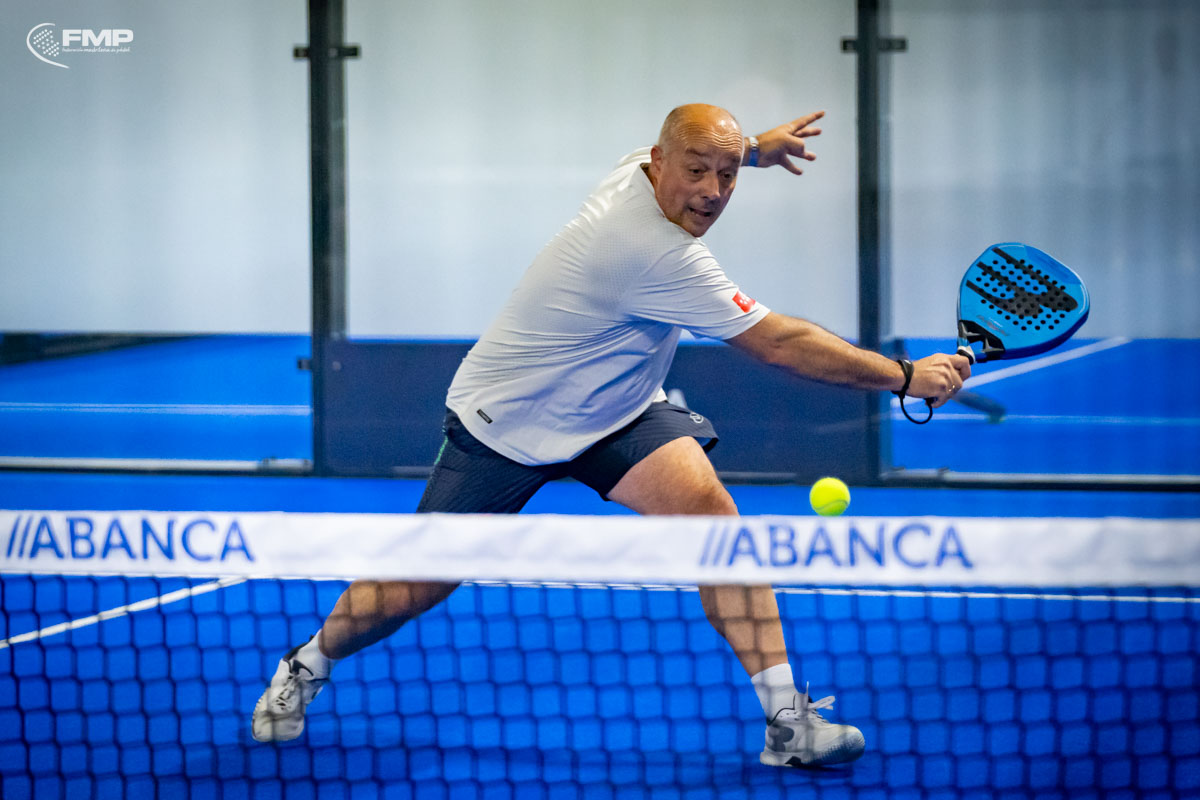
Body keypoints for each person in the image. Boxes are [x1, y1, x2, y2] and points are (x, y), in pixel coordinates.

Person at [252, 104, 971, 767]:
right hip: (509, 420)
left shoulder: (639, 166)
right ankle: (306, 665)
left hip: (617, 411)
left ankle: (788, 723)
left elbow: (706, 154)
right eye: (697, 172)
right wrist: (904, 375)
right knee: (415, 584)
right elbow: (778, 343)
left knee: (717, 525)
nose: (713, 192)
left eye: (726, 175)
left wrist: (756, 149)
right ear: (659, 164)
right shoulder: (652, 252)